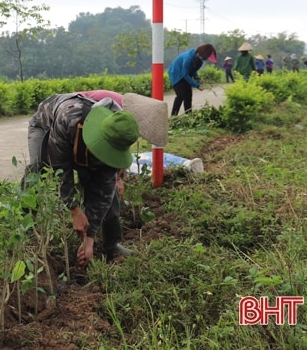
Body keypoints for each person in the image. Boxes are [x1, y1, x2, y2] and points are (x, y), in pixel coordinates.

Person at [23, 92, 141, 266]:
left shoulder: (116, 138)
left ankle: (112, 244)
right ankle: (26, 230)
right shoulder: (69, 117)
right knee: (37, 168)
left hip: (77, 141)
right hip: (46, 126)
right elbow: (60, 169)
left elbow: (103, 192)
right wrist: (75, 211)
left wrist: (89, 239)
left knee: (104, 183)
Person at [168, 43, 216, 116]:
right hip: (176, 75)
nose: (207, 58)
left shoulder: (200, 61)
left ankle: (189, 117)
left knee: (188, 96)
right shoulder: (188, 58)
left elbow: (194, 71)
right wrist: (197, 85)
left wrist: (198, 80)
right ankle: (173, 117)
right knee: (180, 96)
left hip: (186, 75)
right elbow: (184, 74)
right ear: (204, 53)